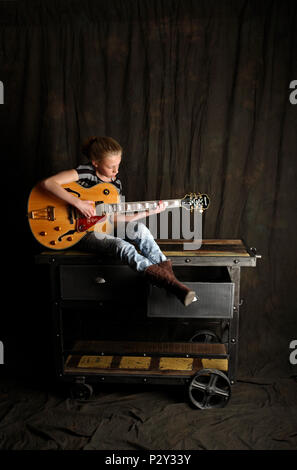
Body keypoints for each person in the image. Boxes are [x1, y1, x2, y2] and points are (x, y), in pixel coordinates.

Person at [40, 136, 197, 306]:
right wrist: (78, 203)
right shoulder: (85, 173)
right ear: (95, 163)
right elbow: (49, 183)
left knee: (140, 230)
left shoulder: (115, 186)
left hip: (103, 228)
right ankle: (173, 284)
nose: (116, 170)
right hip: (79, 232)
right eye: (111, 166)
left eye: (118, 165)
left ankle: (171, 283)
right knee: (122, 246)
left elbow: (114, 219)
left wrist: (147, 212)